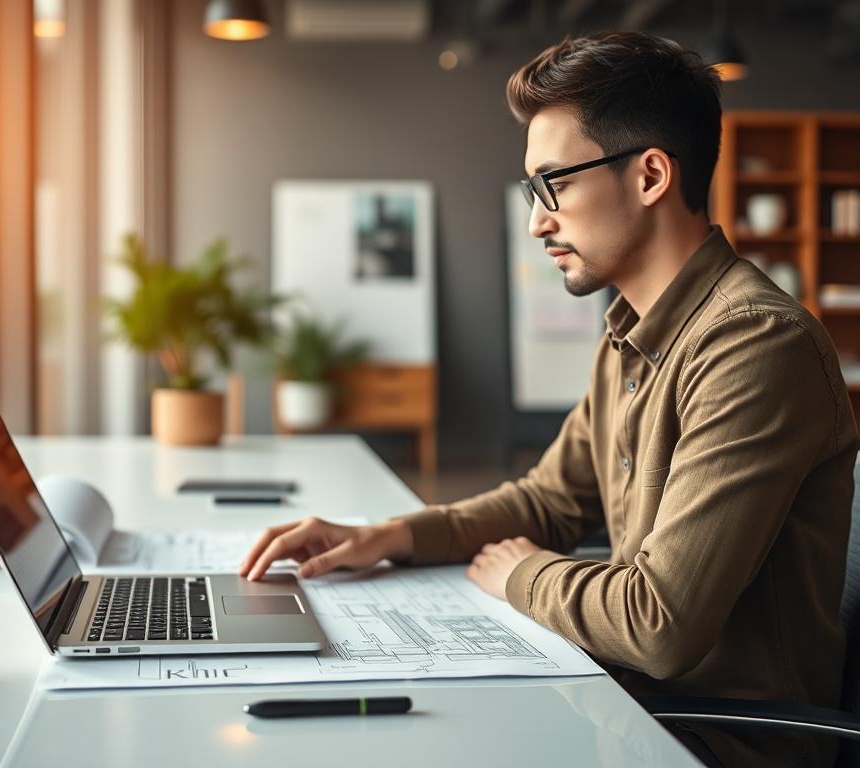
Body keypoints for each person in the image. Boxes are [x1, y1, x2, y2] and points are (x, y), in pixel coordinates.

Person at [239, 32, 858, 768]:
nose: (537, 220)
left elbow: (658, 623)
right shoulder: (632, 331)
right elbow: (550, 501)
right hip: (632, 705)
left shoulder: (754, 347)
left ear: (651, 174)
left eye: (553, 183)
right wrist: (389, 537)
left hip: (715, 740)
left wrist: (521, 574)